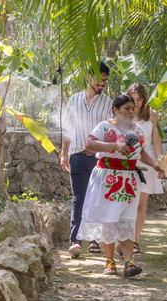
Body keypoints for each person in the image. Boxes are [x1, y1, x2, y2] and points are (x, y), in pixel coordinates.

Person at [77, 95, 162, 277]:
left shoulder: (137, 130)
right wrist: (114, 145)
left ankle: (129, 263)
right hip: (107, 179)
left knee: (127, 221)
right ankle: (110, 262)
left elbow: (141, 152)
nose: (132, 112)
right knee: (109, 219)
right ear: (115, 110)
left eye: (133, 108)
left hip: (130, 181)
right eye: (127, 109)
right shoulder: (105, 127)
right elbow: (89, 143)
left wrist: (154, 164)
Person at [60, 62, 113, 258]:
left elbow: (110, 131)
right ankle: (75, 241)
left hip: (98, 158)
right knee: (79, 198)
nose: (102, 84)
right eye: (100, 80)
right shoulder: (73, 100)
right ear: (89, 77)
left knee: (97, 198)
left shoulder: (108, 103)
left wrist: (100, 148)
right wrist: (63, 153)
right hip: (77, 155)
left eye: (105, 81)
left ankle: (93, 239)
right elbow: (67, 129)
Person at [123, 83, 164, 254]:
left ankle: (135, 241)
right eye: (133, 99)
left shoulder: (151, 115)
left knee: (141, 204)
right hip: (129, 161)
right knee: (126, 204)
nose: (137, 102)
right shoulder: (125, 114)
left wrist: (161, 163)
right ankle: (124, 239)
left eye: (139, 99)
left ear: (144, 99)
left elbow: (156, 141)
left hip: (147, 163)